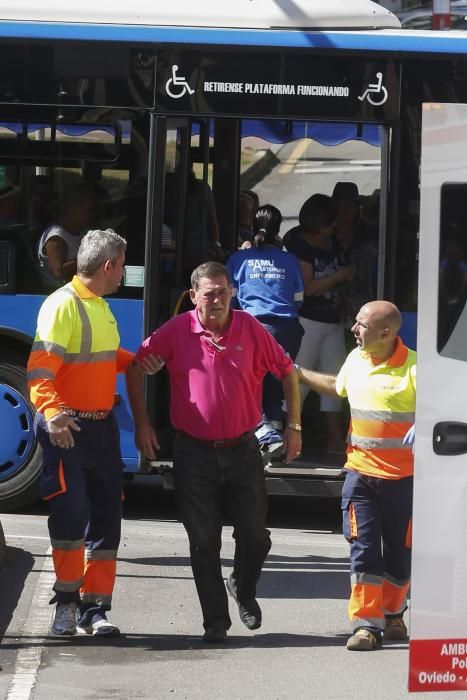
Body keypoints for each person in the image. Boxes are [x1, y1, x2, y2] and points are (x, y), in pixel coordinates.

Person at [126, 261, 301, 643]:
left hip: (243, 450)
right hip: (194, 453)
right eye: (210, 292)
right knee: (203, 540)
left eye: (224, 291)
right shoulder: (177, 330)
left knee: (255, 536)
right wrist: (142, 423)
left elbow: (288, 371)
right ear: (194, 296)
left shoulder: (250, 328)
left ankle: (242, 584)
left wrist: (294, 426)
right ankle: (215, 621)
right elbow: (136, 367)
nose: (218, 299)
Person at [27, 229, 135, 637]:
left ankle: (95, 609)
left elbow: (100, 358)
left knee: (107, 521)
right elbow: (40, 369)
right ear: (108, 266)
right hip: (67, 428)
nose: (124, 273)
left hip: (101, 428)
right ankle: (67, 603)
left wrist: (138, 359)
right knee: (70, 517)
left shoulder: (100, 307)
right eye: (122, 265)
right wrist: (53, 415)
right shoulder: (63, 305)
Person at [295, 301, 415, 651]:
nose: (354, 329)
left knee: (400, 554)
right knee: (362, 552)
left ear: (386, 333)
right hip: (360, 475)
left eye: (361, 324)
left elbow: (450, 406)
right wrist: (298, 372)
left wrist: (429, 423)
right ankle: (367, 625)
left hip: (405, 481)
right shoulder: (356, 360)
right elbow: (337, 386)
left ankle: (393, 615)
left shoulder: (416, 368)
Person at [226, 204, 304, 459]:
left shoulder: (238, 259)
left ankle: (264, 435)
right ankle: (275, 437)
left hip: (253, 328)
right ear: (279, 228)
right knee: (275, 383)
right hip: (288, 329)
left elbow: (232, 299)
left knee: (248, 383)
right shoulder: (289, 259)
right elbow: (299, 298)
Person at [285, 193, 354, 453]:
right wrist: (340, 275)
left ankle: (334, 441)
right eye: (330, 222)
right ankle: (290, 441)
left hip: (333, 320)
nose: (335, 226)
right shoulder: (299, 246)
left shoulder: (331, 242)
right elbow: (308, 288)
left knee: (334, 383)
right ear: (317, 223)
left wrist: (348, 310)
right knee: (299, 383)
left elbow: (341, 285)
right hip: (308, 321)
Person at [37, 182, 100, 288]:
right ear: (74, 208)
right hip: (57, 293)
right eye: (89, 210)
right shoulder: (57, 237)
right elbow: (58, 272)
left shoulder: (81, 232)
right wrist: (88, 259)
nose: (92, 215)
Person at [332, 182, 378, 321]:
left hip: (363, 307)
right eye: (338, 206)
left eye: (347, 206)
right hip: (329, 308)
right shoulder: (322, 231)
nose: (342, 211)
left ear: (357, 208)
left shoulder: (372, 233)